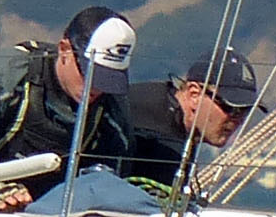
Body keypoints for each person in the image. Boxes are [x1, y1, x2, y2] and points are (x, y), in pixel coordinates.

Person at [0, 6, 139, 212]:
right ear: (65, 49)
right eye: (90, 74)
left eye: (108, 79)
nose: (97, 88)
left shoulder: (113, 110)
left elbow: (113, 186)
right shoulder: (1, 75)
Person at [98, 47, 258, 187]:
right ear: (194, 94)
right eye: (230, 108)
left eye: (245, 110)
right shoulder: (159, 138)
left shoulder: (178, 124)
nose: (238, 119)